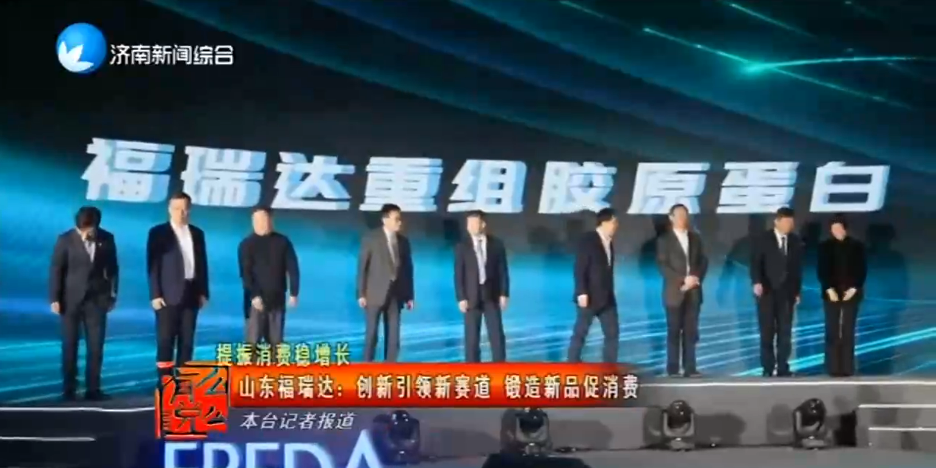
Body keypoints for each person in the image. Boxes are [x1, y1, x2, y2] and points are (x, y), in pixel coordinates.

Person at [48, 206, 118, 401]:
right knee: (69, 345)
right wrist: (54, 298)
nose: (86, 234)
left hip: (97, 300)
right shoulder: (65, 239)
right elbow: (56, 269)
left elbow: (113, 269)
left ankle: (93, 389)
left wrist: (112, 295)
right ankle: (69, 389)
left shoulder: (107, 238)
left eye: (89, 229)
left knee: (95, 347)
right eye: (82, 230)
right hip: (69, 300)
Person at [147, 192, 209, 377]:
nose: (181, 213)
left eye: (184, 209)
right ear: (169, 209)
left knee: (187, 342)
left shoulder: (197, 233)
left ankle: (184, 382)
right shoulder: (158, 233)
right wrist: (155, 294)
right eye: (176, 209)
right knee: (165, 342)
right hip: (167, 295)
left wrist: (203, 291)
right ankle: (165, 381)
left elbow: (202, 264)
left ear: (190, 210)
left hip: (192, 292)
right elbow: (152, 266)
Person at [356, 203, 414, 362]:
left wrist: (409, 296)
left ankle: (390, 369)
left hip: (396, 295)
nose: (400, 222)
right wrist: (361, 293)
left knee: (394, 337)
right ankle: (368, 369)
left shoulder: (403, 242)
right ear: (385, 219)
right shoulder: (371, 238)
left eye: (400, 219)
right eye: (396, 219)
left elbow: (408, 270)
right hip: (374, 294)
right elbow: (362, 267)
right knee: (372, 335)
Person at [656, 204, 708, 377]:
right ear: (671, 217)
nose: (682, 218)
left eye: (685, 215)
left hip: (693, 291)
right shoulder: (664, 240)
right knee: (673, 331)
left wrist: (695, 278)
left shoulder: (695, 238)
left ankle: (690, 367)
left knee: (691, 331)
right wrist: (682, 280)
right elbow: (662, 265)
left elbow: (703, 261)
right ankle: (672, 368)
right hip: (674, 292)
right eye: (678, 215)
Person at [750, 207, 803, 377]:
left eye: (791, 222)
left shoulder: (795, 241)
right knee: (767, 332)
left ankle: (782, 367)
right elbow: (755, 262)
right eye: (786, 222)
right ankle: (767, 367)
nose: (789, 225)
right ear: (777, 221)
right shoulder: (763, 239)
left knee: (785, 332)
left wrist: (797, 291)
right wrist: (757, 282)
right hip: (766, 291)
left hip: (787, 294)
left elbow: (797, 269)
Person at [238, 207, 300, 353]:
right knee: (253, 342)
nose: (259, 223)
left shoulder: (283, 242)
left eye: (263, 219)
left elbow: (293, 268)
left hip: (277, 298)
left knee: (276, 342)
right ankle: (252, 367)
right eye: (256, 220)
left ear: (271, 220)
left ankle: (273, 367)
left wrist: (294, 293)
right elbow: (245, 273)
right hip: (254, 301)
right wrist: (254, 295)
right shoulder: (247, 244)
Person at [454, 210, 510, 362]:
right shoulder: (462, 246)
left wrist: (504, 293)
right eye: (469, 224)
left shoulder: (496, 244)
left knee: (497, 335)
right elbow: (458, 274)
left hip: (491, 295)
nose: (471, 227)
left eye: (474, 223)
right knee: (472, 338)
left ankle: (500, 367)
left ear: (483, 224)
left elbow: (503, 270)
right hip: (471, 296)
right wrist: (461, 297)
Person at [817, 215, 867, 377]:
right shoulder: (825, 247)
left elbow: (861, 270)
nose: (836, 231)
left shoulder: (857, 246)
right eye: (833, 228)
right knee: (831, 330)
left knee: (848, 330)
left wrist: (854, 288)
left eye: (839, 228)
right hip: (831, 293)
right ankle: (832, 367)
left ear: (845, 228)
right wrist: (829, 288)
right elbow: (822, 270)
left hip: (851, 293)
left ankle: (847, 367)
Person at [568, 208, 620, 363]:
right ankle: (572, 365)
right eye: (614, 222)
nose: (616, 225)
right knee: (580, 333)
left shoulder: (609, 242)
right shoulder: (589, 240)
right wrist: (581, 292)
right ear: (604, 222)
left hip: (607, 298)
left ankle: (609, 368)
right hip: (589, 296)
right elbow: (580, 267)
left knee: (612, 334)